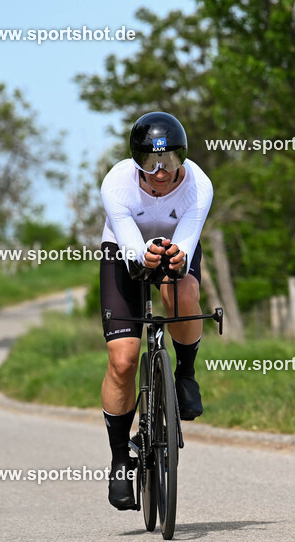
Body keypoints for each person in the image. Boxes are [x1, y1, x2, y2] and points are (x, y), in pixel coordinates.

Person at [98, 111, 213, 510]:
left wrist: (173, 258)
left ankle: (184, 373)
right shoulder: (116, 183)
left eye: (169, 161)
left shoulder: (199, 185)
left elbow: (186, 242)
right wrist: (142, 255)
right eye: (149, 162)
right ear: (136, 162)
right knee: (124, 361)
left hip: (173, 248)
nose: (160, 171)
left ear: (182, 158)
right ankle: (118, 460)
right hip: (123, 251)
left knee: (182, 289)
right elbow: (130, 244)